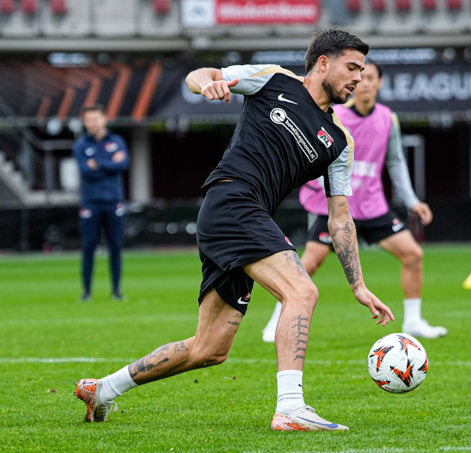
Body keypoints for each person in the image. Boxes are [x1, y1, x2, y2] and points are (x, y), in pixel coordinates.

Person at [74, 29, 393, 432]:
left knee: (209, 348)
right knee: (302, 291)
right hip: (231, 202)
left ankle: (102, 389)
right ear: (323, 63)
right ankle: (290, 407)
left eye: (362, 71)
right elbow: (199, 74)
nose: (359, 78)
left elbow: (340, 218)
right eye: (352, 67)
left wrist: (358, 285)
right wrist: (208, 84)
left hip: (241, 218)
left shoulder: (339, 142)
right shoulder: (274, 79)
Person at [262, 61, 446, 343]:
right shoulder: (336, 116)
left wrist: (412, 201)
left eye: (371, 77)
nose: (365, 82)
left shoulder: (388, 119)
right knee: (308, 264)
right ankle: (277, 321)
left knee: (413, 254)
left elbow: (396, 162)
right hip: (337, 207)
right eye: (361, 77)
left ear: (379, 83)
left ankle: (413, 322)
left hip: (372, 206)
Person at [72, 104, 130, 302]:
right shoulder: (80, 145)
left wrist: (98, 164)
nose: (92, 123)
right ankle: (86, 291)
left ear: (104, 119)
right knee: (88, 247)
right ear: (84, 122)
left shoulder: (117, 140)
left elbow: (123, 164)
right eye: (88, 120)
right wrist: (110, 163)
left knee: (116, 247)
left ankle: (117, 291)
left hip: (114, 201)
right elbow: (86, 171)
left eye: (95, 119)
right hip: (90, 203)